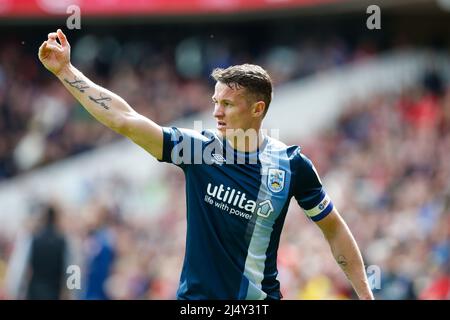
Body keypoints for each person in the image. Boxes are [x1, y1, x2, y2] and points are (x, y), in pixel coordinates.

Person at [38, 29, 374, 300]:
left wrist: (364, 295)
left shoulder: (291, 166)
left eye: (227, 104)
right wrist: (66, 71)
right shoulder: (197, 150)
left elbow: (334, 229)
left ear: (257, 109)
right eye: (215, 102)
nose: (216, 112)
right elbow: (125, 119)